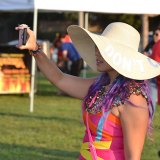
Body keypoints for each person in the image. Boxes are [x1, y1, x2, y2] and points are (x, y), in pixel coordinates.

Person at [15, 22, 160, 160]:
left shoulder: (134, 99)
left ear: (120, 55)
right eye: (97, 47)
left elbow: (133, 157)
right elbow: (59, 79)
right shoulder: (100, 86)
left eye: (102, 49)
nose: (96, 52)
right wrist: (35, 49)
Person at [150, 27, 160, 106]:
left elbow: (155, 64)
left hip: (154, 77)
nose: (154, 36)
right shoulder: (155, 45)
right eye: (154, 34)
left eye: (157, 34)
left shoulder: (157, 45)